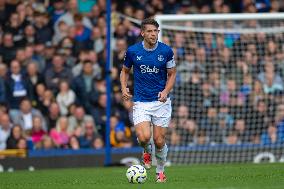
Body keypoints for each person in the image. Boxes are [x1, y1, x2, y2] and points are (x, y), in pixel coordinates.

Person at [120, 18, 176, 183]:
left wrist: (166, 91)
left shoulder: (166, 51)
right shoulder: (132, 51)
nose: (153, 34)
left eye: (155, 31)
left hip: (161, 102)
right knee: (144, 138)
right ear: (142, 33)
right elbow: (124, 71)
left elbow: (172, 73)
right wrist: (124, 88)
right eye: (150, 31)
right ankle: (146, 150)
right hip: (141, 101)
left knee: (159, 141)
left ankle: (160, 171)